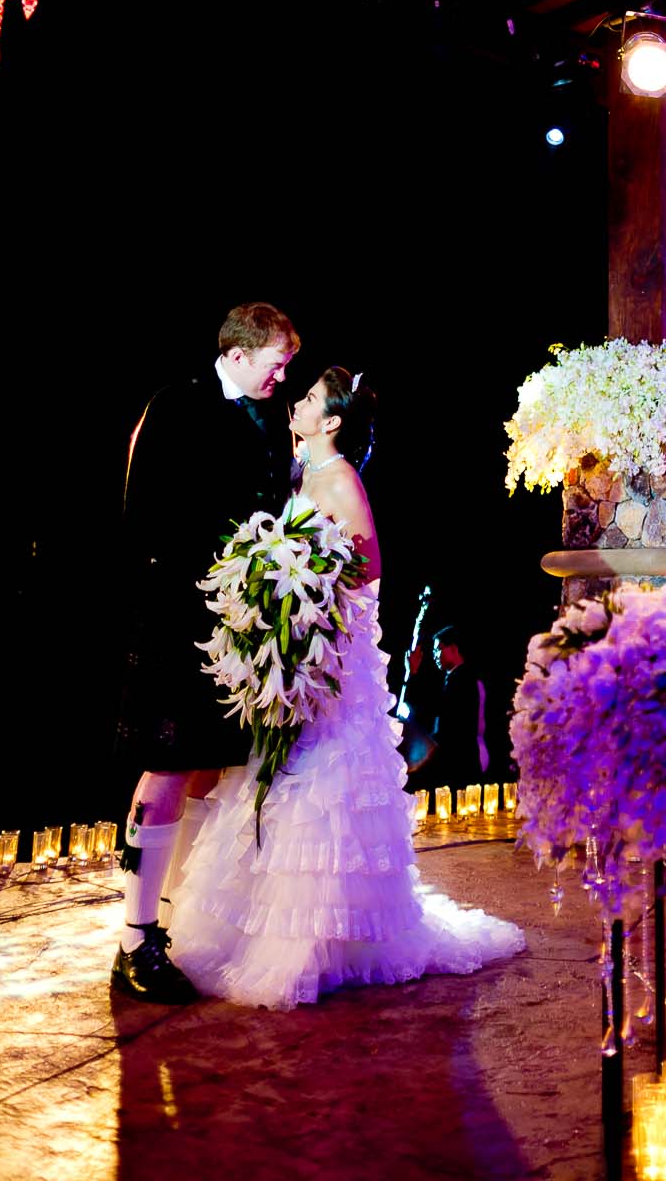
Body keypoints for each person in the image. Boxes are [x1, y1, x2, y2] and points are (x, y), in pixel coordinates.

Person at [166, 367, 525, 1008]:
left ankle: (318, 942)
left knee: (320, 785)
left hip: (328, 657)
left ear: (331, 421)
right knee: (273, 778)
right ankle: (252, 926)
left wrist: (311, 609)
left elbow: (369, 570)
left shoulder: (340, 480)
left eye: (308, 399)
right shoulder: (298, 472)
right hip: (292, 653)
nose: (297, 402)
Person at [111, 301, 299, 1002]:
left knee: (208, 771)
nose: (282, 377)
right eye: (276, 362)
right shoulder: (176, 408)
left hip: (237, 627)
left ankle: (174, 922)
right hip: (174, 619)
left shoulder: (268, 418)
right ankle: (134, 940)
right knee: (166, 769)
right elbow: (145, 518)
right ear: (238, 353)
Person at [428, 625, 490, 791]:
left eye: (438, 649)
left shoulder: (462, 680)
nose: (434, 656)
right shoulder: (459, 678)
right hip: (462, 758)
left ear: (454, 649)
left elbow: (450, 724)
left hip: (460, 760)